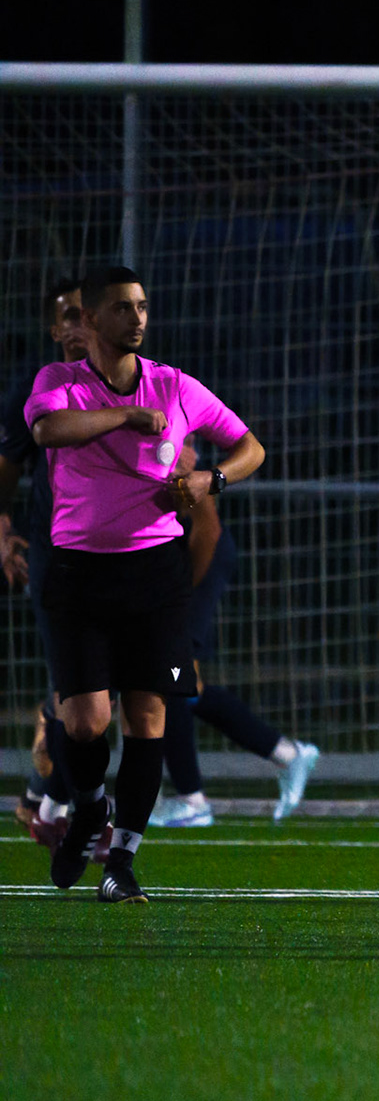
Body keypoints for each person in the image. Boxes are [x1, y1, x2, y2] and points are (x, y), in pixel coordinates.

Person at [26, 265, 264, 903]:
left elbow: (250, 447)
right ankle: (88, 808)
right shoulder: (61, 383)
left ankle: (122, 860)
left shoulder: (176, 385)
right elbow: (47, 431)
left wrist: (212, 479)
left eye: (143, 307)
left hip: (155, 575)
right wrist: (126, 417)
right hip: (78, 574)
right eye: (123, 308)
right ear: (95, 317)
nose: (138, 318)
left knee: (149, 714)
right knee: (83, 723)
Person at [148, 450, 320, 828]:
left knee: (169, 675)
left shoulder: (169, 434)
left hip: (199, 556)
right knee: (183, 685)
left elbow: (208, 529)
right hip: (171, 560)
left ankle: (191, 799)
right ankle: (287, 753)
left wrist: (181, 598)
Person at [3, 278, 103, 857]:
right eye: (65, 318)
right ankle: (63, 808)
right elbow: (9, 461)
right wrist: (2, 530)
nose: (74, 328)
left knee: (93, 696)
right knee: (85, 697)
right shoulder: (39, 388)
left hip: (119, 561)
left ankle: (48, 802)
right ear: (52, 328)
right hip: (56, 556)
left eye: (83, 317)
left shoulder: (134, 383)